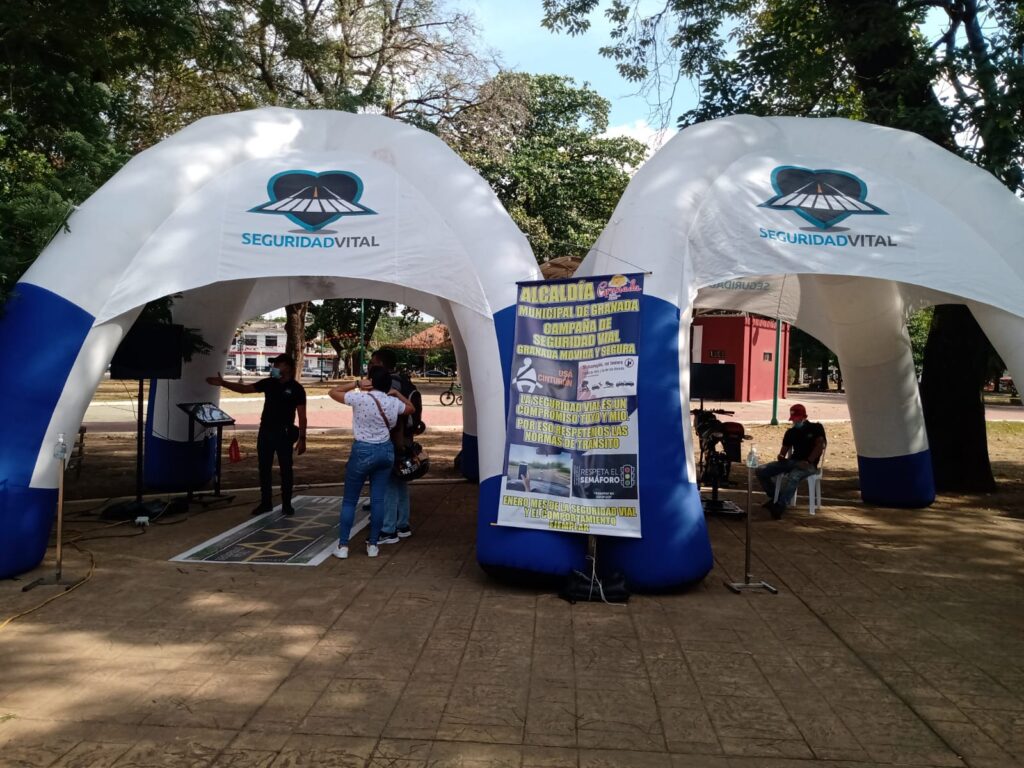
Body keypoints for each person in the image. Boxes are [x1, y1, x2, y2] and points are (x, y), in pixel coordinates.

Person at [329, 367, 414, 559]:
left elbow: (333, 392)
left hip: (362, 450)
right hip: (385, 451)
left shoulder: (360, 399)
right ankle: (373, 544)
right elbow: (411, 408)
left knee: (350, 500)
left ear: (370, 382)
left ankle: (343, 546)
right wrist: (398, 394)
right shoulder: (393, 402)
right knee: (378, 500)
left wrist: (357, 384)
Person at [206, 353, 307, 516]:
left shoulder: (296, 389)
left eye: (277, 365)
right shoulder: (268, 383)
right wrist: (223, 383)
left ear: (287, 367)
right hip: (266, 431)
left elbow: (302, 415)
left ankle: (287, 504)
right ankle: (265, 502)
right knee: (264, 468)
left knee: (286, 469)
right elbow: (245, 389)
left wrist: (302, 439)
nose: (274, 368)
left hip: (284, 433)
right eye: (273, 365)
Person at [369, 349, 421, 543]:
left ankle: (388, 528)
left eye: (373, 362)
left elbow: (394, 417)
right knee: (401, 482)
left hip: (392, 439)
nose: (370, 366)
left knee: (389, 483)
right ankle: (403, 525)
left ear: (381, 364)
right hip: (406, 439)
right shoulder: (406, 383)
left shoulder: (387, 384)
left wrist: (395, 442)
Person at [756, 403, 826, 519]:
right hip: (792, 461)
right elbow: (783, 450)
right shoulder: (791, 432)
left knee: (794, 476)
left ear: (804, 417)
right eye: (794, 419)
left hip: (809, 464)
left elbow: (820, 446)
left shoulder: (816, 428)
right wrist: (781, 456)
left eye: (798, 419)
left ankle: (780, 506)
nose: (796, 422)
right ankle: (776, 497)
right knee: (761, 470)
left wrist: (808, 461)